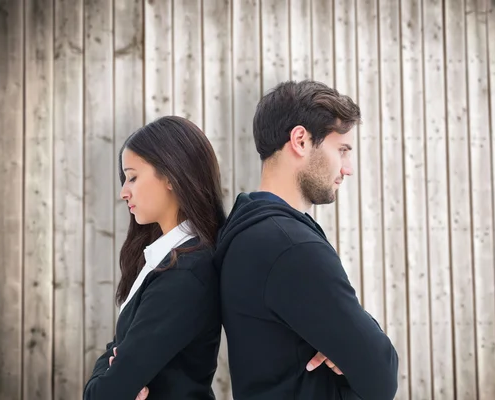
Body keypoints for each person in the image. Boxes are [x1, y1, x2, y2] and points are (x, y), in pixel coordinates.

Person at [213, 80, 399, 399]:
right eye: (341, 150)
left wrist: (345, 345)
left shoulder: (247, 230)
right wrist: (350, 346)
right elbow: (381, 374)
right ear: (300, 140)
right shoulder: (291, 246)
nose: (348, 168)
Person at [84, 116, 226, 400]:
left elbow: (105, 393)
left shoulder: (186, 272)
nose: (124, 192)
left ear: (172, 176)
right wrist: (110, 367)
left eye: (133, 177)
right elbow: (116, 352)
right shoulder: (168, 259)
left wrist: (103, 376)